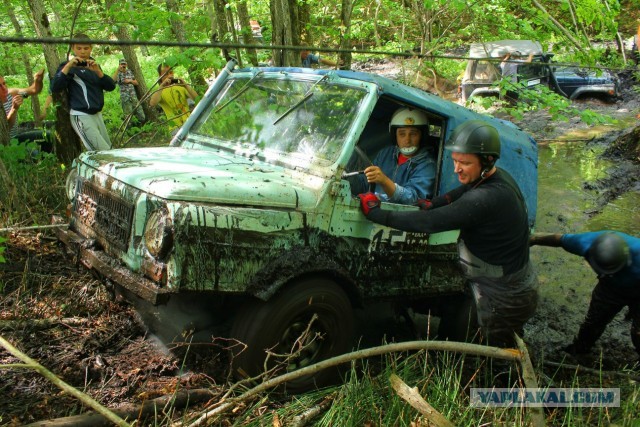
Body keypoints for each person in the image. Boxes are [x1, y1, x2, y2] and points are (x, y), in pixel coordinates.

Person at [358, 120, 538, 348]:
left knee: (492, 357)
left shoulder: (487, 197)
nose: (456, 169)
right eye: (455, 161)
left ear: (487, 160)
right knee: (453, 332)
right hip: (492, 278)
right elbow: (457, 193)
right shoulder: (491, 176)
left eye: (464, 163)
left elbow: (429, 223)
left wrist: (376, 213)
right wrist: (431, 203)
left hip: (505, 294)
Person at [530, 231, 640, 357]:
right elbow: (559, 240)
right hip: (609, 289)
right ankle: (580, 351)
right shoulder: (587, 242)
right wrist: (531, 240)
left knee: (638, 334)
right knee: (593, 323)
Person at [50, 33, 116, 151]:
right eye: (79, 48)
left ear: (91, 48)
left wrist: (98, 72)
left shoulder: (94, 65)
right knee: (102, 153)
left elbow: (111, 87)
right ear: (73, 48)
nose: (83, 52)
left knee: (109, 151)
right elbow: (55, 87)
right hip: (82, 116)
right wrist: (68, 66)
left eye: (86, 48)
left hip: (97, 115)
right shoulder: (68, 67)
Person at [359, 107, 436, 205]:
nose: (407, 140)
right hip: (372, 209)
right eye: (402, 134)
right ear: (394, 136)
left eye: (413, 134)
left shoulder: (427, 164)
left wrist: (384, 181)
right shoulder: (385, 154)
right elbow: (364, 182)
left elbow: (414, 199)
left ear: (422, 136)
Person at [149, 63, 198, 135]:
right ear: (160, 76)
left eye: (171, 72)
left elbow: (197, 99)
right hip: (175, 128)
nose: (169, 75)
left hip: (189, 122)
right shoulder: (160, 91)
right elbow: (152, 103)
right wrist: (162, 86)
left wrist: (185, 85)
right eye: (166, 73)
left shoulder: (181, 87)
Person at [1, 69, 45, 138]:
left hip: (16, 137)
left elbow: (34, 90)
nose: (4, 88)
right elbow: (4, 129)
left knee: (46, 136)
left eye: (4, 83)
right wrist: (13, 109)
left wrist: (38, 81)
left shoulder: (11, 93)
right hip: (5, 144)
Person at [112, 58, 145, 124]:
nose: (123, 66)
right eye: (122, 64)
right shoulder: (118, 74)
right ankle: (129, 128)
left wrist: (130, 81)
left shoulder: (129, 72)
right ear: (119, 65)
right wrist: (118, 70)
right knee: (128, 114)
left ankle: (143, 124)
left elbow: (136, 82)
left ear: (126, 64)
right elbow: (112, 81)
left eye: (124, 64)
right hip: (125, 97)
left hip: (133, 96)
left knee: (139, 110)